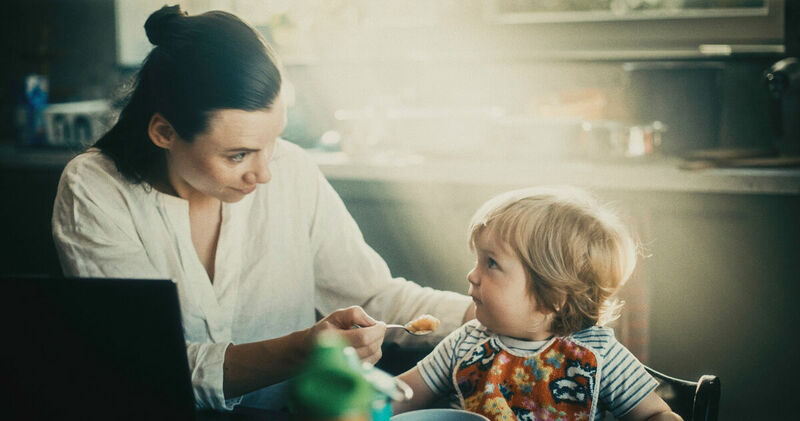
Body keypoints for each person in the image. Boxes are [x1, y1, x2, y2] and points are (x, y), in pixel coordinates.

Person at [51, 5, 474, 411]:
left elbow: (370, 295)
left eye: (273, 141)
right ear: (164, 131)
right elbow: (147, 364)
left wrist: (481, 314)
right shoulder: (96, 189)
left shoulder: (292, 170)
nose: (266, 173)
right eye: (238, 155)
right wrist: (300, 349)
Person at [393, 187, 682, 421]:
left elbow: (656, 414)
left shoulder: (597, 355)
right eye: (477, 260)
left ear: (553, 297)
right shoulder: (466, 343)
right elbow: (396, 397)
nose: (472, 275)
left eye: (491, 263)